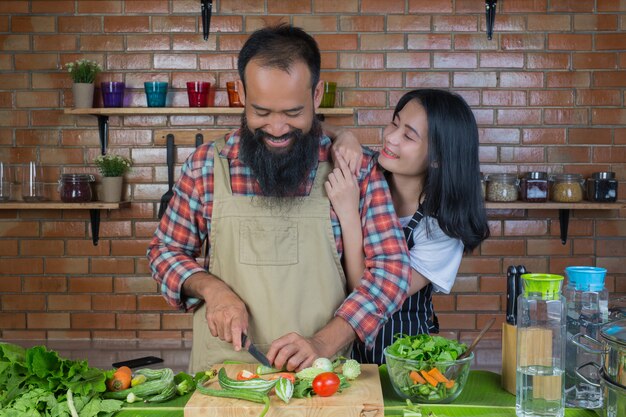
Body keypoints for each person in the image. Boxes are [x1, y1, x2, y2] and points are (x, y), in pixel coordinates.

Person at [146, 24, 411, 373]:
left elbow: (390, 272)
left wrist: (323, 342)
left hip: (320, 376)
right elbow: (165, 252)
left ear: (316, 96)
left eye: (292, 113)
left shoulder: (353, 170)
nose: (276, 128)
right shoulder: (206, 167)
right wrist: (212, 289)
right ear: (240, 92)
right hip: (223, 374)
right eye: (261, 112)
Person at [324, 89, 490, 364]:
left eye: (408, 135)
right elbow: (312, 127)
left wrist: (349, 214)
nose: (390, 137)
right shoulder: (367, 177)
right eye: (394, 122)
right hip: (343, 348)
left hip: (401, 359)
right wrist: (345, 136)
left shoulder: (440, 231)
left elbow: (368, 289)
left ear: (438, 157)